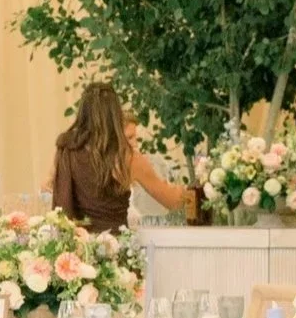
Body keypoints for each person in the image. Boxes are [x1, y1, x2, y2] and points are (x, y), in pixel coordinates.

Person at [50, 82, 193, 233]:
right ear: (115, 114)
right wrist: (199, 188)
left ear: (82, 113)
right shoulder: (128, 157)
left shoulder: (67, 150)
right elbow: (172, 200)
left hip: (79, 250)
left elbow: (58, 198)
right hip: (115, 249)